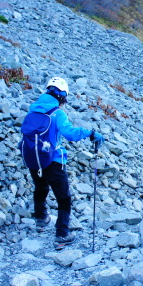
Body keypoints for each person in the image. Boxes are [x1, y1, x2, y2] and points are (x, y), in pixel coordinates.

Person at [24, 77, 104, 248]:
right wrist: (90, 133)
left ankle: (40, 219)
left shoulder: (33, 111)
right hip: (53, 160)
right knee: (64, 198)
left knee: (41, 188)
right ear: (62, 96)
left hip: (33, 158)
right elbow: (70, 133)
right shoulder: (57, 113)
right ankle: (62, 234)